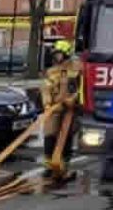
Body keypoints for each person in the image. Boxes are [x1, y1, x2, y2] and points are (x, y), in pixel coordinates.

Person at [40, 39, 81, 183]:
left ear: (66, 54)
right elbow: (46, 88)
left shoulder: (77, 69)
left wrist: (74, 99)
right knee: (50, 134)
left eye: (59, 54)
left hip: (70, 109)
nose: (57, 57)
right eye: (55, 54)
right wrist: (47, 103)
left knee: (67, 136)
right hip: (55, 108)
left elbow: (82, 88)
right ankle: (49, 165)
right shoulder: (51, 71)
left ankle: (64, 164)